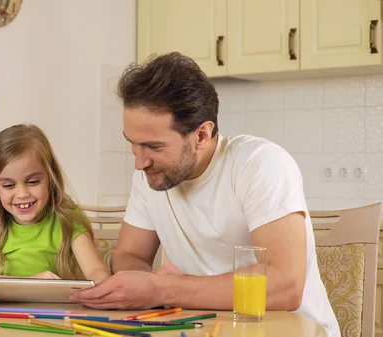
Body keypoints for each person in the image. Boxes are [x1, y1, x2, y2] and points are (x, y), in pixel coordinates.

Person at [69, 52, 340, 337]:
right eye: (133, 145)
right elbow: (129, 254)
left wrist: (163, 289)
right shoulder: (149, 176)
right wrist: (149, 284)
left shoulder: (259, 163)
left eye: (154, 147)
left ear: (201, 135)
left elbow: (286, 287)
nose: (139, 162)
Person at [0, 124, 111, 284]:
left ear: (50, 179)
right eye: (8, 185)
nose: (22, 194)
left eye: (33, 182)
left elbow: (97, 273)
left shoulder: (68, 218)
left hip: (55, 312)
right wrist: (26, 283)